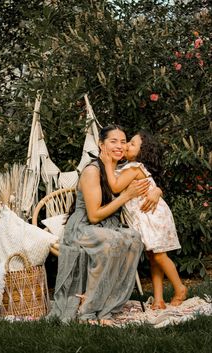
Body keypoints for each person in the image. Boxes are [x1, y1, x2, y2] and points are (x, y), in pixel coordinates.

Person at [52, 125, 162, 324]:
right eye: (113, 141)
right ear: (101, 145)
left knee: (134, 238)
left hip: (109, 225)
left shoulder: (119, 169)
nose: (120, 146)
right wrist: (127, 196)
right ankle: (87, 310)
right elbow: (94, 216)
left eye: (123, 141)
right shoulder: (92, 171)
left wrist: (157, 191)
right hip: (84, 227)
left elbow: (146, 180)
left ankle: (108, 305)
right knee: (112, 241)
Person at [101, 130, 187, 309]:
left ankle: (180, 288)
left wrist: (108, 163)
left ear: (142, 152)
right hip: (146, 216)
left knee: (160, 256)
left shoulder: (134, 168)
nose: (125, 146)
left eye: (131, 144)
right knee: (153, 256)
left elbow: (115, 187)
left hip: (151, 215)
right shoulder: (130, 167)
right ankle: (158, 300)